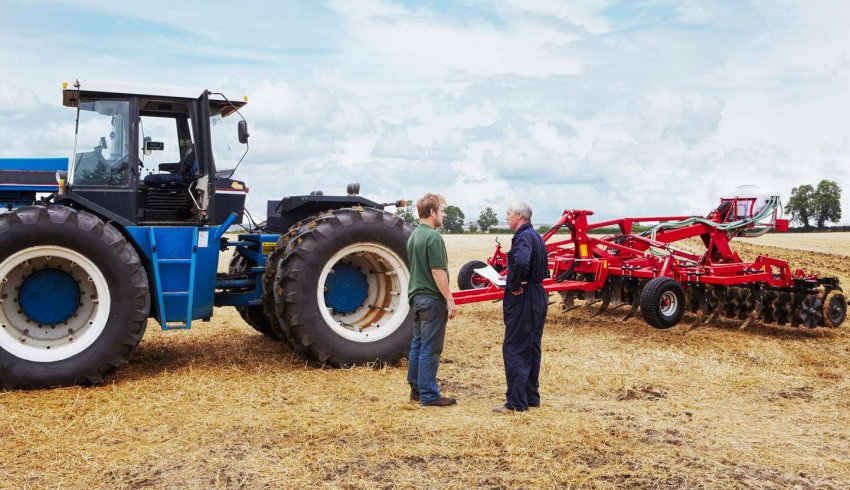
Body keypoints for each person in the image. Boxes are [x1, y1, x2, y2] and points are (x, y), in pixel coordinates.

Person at [495, 201, 549, 413]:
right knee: (532, 346)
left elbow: (522, 262)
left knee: (516, 348)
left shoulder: (524, 237)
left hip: (524, 296)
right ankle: (531, 396)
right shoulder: (536, 236)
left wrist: (515, 283)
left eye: (508, 213)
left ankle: (516, 402)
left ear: (519, 216)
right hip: (537, 294)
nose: (506, 217)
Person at [406, 193, 458, 407]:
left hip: (416, 298)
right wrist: (450, 299)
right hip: (431, 299)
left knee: (418, 344)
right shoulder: (433, 237)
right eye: (442, 211)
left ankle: (416, 389)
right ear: (432, 211)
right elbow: (438, 272)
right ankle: (429, 395)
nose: (444, 215)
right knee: (431, 347)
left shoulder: (414, 235)